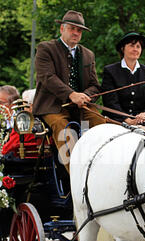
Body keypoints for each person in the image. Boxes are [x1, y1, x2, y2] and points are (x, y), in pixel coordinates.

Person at [32, 10, 106, 173]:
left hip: (81, 107)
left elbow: (95, 85)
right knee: (62, 129)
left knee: (101, 123)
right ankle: (76, 175)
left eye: (79, 30)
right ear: (62, 29)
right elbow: (47, 77)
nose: (75, 33)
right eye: (72, 28)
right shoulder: (46, 48)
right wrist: (71, 94)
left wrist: (85, 96)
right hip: (52, 107)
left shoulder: (88, 54)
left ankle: (103, 169)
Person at [101, 32, 145, 124]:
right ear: (122, 48)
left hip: (143, 123)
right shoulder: (110, 71)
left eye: (138, 46)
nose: (135, 49)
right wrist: (127, 120)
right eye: (132, 46)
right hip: (115, 121)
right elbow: (110, 102)